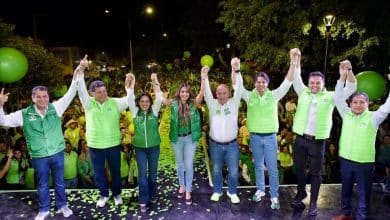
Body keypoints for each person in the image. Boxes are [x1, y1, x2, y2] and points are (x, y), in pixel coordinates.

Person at [0, 59, 84, 219]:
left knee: (60, 182)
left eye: (45, 96)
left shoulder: (56, 108)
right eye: (38, 97)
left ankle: (62, 206)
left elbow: (71, 91)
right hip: (39, 156)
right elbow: (2, 121)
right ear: (33, 98)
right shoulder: (23, 114)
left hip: (58, 153)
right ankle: (44, 209)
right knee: (42, 184)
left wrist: (78, 71)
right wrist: (0, 105)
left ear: (48, 97)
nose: (42, 99)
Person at [290, 48, 357, 217]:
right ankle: (301, 192)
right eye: (311, 82)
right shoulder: (302, 92)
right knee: (298, 169)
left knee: (316, 173)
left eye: (317, 83)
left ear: (323, 84)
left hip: (318, 142)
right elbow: (296, 76)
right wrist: (295, 58)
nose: (314, 85)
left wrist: (348, 70)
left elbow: (351, 87)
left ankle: (313, 202)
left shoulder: (331, 96)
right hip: (300, 139)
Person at [236, 49, 294, 209]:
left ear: (267, 83)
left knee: (273, 168)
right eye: (258, 81)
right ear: (254, 83)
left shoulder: (274, 95)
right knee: (258, 166)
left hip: (270, 137)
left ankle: (274, 196)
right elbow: (237, 85)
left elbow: (287, 82)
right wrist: (235, 69)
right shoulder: (249, 96)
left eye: (263, 81)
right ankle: (261, 190)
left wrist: (293, 62)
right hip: (254, 137)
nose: (260, 84)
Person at [333, 62, 390, 220]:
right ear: (350, 104)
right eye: (355, 102)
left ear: (368, 104)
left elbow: (387, 106)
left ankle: (361, 217)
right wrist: (342, 76)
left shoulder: (374, 118)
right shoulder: (346, 114)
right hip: (345, 160)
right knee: (346, 190)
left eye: (362, 102)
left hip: (364, 163)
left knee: (364, 194)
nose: (358, 105)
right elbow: (337, 97)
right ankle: (345, 214)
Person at [77, 56, 132, 207]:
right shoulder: (88, 104)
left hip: (113, 144)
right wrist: (81, 70)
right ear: (92, 93)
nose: (103, 94)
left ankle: (117, 194)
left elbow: (129, 99)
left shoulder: (115, 103)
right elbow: (80, 89)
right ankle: (103, 195)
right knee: (99, 173)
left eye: (104, 90)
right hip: (95, 146)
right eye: (99, 92)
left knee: (115, 171)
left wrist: (129, 87)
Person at [202, 58, 243, 204]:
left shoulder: (234, 103)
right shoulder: (212, 104)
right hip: (215, 144)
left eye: (224, 93)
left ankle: (232, 192)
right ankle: (218, 191)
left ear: (229, 93)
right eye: (219, 93)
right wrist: (204, 77)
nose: (221, 95)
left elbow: (239, 88)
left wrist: (237, 70)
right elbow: (206, 92)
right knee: (217, 170)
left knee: (233, 171)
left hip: (231, 145)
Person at [162, 73, 204, 205]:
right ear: (179, 93)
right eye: (182, 92)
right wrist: (155, 82)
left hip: (190, 139)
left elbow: (201, 94)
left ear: (189, 93)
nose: (184, 94)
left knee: (188, 164)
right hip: (177, 139)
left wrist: (203, 77)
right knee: (179, 164)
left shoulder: (193, 104)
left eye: (187, 92)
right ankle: (181, 186)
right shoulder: (174, 104)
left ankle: (188, 190)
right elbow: (163, 100)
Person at [128, 72, 163, 212]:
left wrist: (155, 81)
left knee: (153, 175)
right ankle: (143, 199)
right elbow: (130, 98)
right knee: (142, 176)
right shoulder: (135, 112)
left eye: (147, 101)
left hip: (154, 147)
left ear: (150, 103)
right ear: (138, 103)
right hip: (140, 149)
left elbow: (159, 97)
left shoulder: (154, 111)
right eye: (142, 101)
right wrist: (132, 81)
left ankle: (153, 195)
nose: (144, 104)